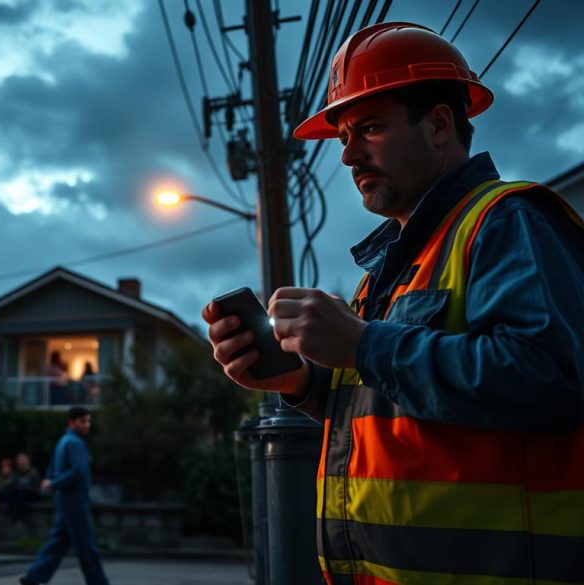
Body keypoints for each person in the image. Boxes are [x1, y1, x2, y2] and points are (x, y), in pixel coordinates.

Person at [204, 22, 584, 584]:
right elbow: (392, 410)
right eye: (343, 138)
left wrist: (361, 342)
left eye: (371, 128)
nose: (348, 155)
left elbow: (550, 380)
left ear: (437, 124)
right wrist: (302, 384)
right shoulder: (389, 269)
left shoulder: (507, 221)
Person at [20, 407, 108, 585]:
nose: (87, 425)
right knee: (85, 544)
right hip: (74, 497)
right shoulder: (75, 443)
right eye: (82, 421)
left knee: (58, 542)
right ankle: (98, 583)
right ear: (71, 422)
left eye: (88, 421)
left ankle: (33, 577)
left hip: (64, 497)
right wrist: (54, 483)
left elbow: (53, 468)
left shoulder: (64, 441)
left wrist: (51, 481)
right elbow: (77, 472)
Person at [5, 452, 41, 523]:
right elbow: (9, 484)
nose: (20, 462)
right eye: (19, 460)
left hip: (30, 495)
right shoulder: (16, 474)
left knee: (22, 494)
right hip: (18, 494)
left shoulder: (33, 473)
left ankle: (20, 518)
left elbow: (36, 488)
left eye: (22, 459)